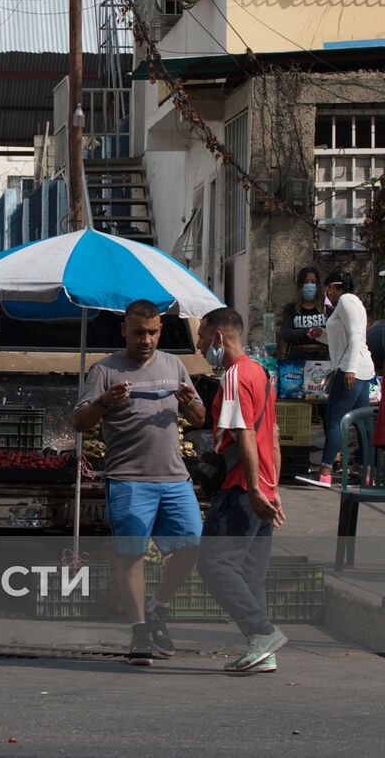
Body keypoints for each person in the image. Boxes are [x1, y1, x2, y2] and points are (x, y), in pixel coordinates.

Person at [71, 299, 206, 666]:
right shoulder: (105, 370)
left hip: (175, 477)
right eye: (138, 332)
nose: (146, 339)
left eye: (152, 332)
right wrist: (103, 401)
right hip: (129, 478)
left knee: (192, 543)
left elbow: (198, 416)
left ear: (160, 330)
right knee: (132, 555)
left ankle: (158, 607)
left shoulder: (174, 365)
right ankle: (140, 629)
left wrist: (190, 402)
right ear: (124, 330)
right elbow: (80, 422)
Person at [196, 307, 288, 673]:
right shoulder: (261, 374)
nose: (202, 346)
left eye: (203, 338)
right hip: (263, 488)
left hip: (240, 490)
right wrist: (272, 486)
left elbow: (246, 434)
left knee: (215, 564)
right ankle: (262, 650)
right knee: (250, 575)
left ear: (219, 337)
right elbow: (274, 438)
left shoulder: (234, 377)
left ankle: (262, 633)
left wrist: (252, 487)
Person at [297, 270, 375, 488]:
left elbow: (356, 336)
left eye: (326, 289)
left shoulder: (346, 301)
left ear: (331, 287)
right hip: (361, 368)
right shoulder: (352, 303)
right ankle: (367, 473)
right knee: (362, 423)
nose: (325, 294)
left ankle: (325, 471)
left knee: (334, 419)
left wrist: (349, 370)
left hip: (352, 368)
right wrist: (320, 334)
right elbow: (342, 339)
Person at [278, 266, 328, 361]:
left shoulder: (325, 308)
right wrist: (308, 331)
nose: (310, 285)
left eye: (313, 282)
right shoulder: (291, 308)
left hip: (323, 357)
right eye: (306, 282)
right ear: (300, 285)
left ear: (317, 285)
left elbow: (334, 333)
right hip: (298, 356)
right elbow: (286, 334)